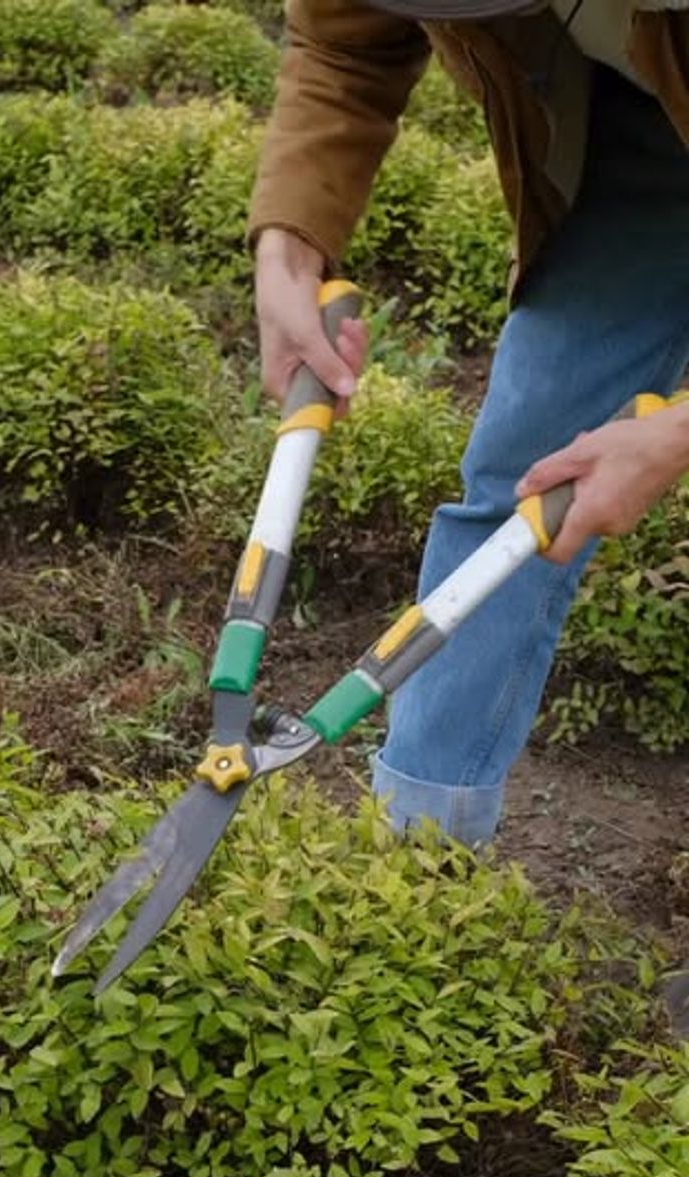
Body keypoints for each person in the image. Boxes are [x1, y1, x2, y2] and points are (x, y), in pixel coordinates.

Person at [249, 0, 689, 845]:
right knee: (526, 483)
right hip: (645, 147)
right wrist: (289, 242)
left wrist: (674, 437)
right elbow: (344, 47)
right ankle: (420, 848)